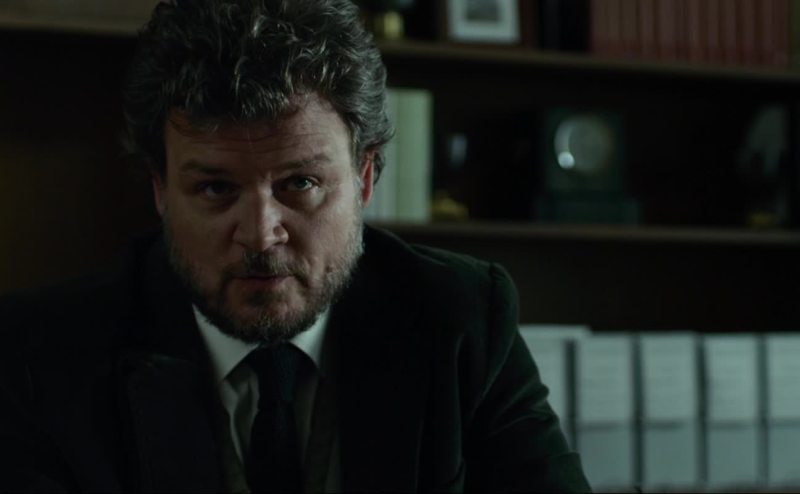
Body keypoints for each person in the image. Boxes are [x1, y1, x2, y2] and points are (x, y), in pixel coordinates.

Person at [0, 0, 591, 492]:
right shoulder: (41, 357)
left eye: (301, 183)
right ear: (160, 191)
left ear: (364, 179)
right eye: (215, 188)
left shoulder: (461, 319)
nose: (261, 234)